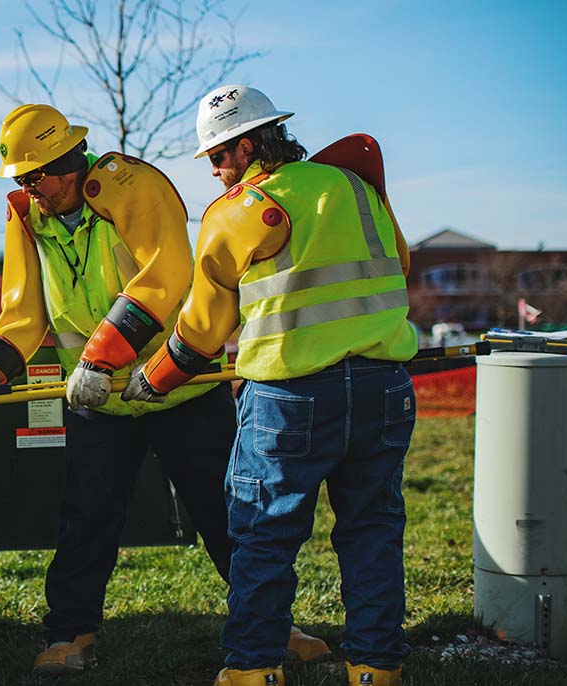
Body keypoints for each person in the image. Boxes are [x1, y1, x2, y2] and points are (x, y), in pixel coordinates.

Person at [0, 103, 326, 677]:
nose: (31, 189)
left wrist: (100, 355)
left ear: (68, 163)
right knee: (86, 518)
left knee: (226, 515)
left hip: (179, 388)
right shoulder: (26, 218)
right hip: (100, 404)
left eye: (38, 176)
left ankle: (271, 629)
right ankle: (71, 636)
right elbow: (20, 320)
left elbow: (166, 277)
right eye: (22, 180)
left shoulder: (131, 188)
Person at [122, 85, 418, 686]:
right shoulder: (357, 189)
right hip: (384, 384)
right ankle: (375, 666)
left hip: (291, 396)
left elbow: (203, 331)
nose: (212, 171)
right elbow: (401, 265)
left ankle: (254, 668)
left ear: (249, 146)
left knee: (262, 534)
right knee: (373, 529)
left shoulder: (236, 211)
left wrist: (152, 379)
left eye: (217, 156)